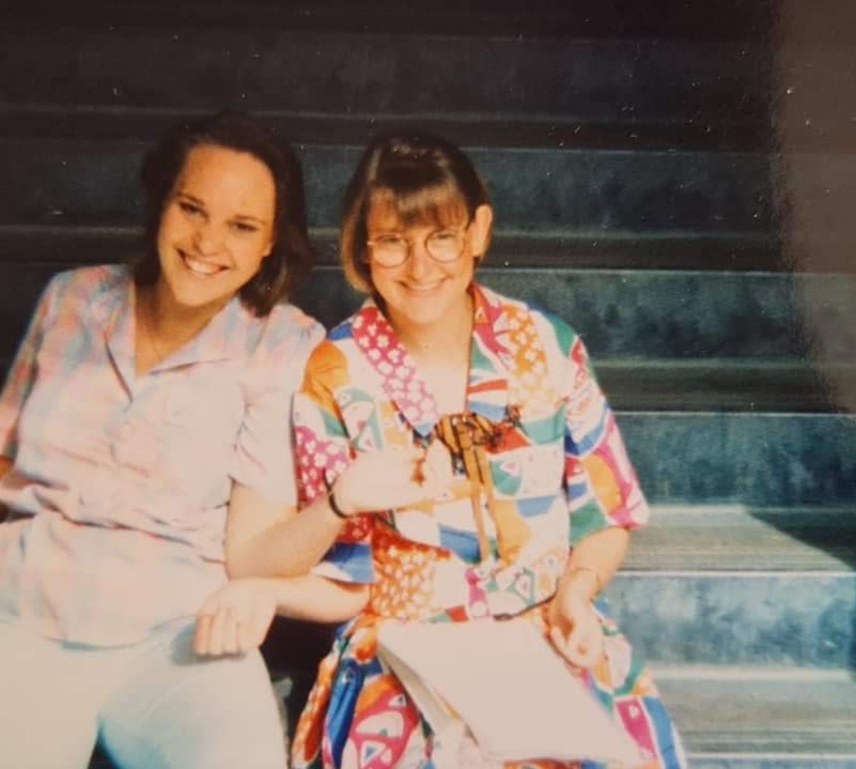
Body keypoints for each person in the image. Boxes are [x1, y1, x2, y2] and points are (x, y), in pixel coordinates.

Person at [0, 111, 326, 769]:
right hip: (17, 621)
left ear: (270, 244)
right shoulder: (71, 298)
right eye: (192, 208)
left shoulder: (285, 343)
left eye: (243, 226)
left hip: (180, 640)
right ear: (159, 203)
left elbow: (254, 551)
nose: (208, 241)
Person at [281, 131, 689, 768]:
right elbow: (342, 572)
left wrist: (576, 593)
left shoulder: (547, 347)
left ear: (478, 231)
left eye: (442, 236)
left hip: (547, 628)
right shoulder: (335, 371)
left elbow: (603, 514)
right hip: (405, 650)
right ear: (362, 244)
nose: (420, 268)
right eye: (393, 241)